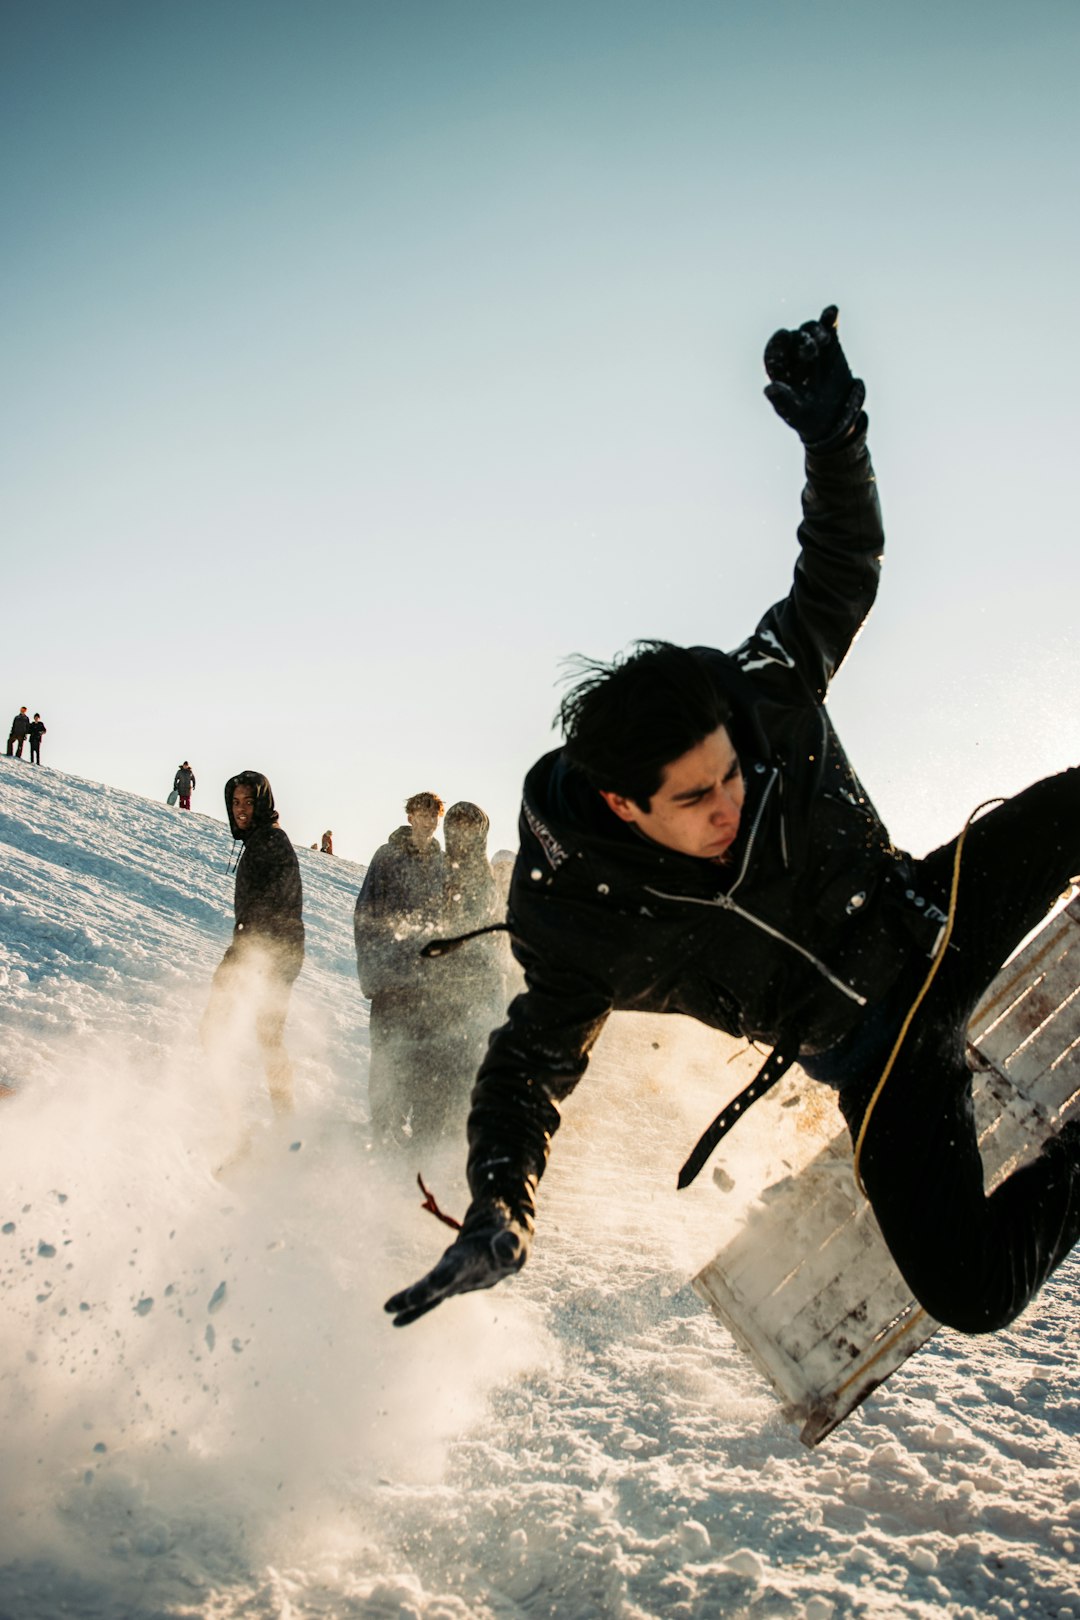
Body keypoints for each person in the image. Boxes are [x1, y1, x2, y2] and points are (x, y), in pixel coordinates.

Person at [386, 305, 1080, 1337]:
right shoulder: (576, 920)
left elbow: (841, 563)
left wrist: (835, 433)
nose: (730, 806)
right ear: (623, 805)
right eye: (697, 801)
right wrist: (501, 1200)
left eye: (731, 778)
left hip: (929, 912)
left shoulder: (761, 696)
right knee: (972, 1293)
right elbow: (526, 1070)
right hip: (872, 1053)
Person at [200, 771, 305, 1115]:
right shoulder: (260, 841)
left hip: (269, 954)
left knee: (251, 1033)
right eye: (235, 802)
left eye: (248, 802)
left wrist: (250, 956)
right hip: (260, 950)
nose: (240, 810)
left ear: (262, 804)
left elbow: (279, 905)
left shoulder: (271, 842)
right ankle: (264, 1118)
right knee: (262, 1036)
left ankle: (258, 1121)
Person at [354, 791, 450, 1145]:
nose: (427, 821)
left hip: (427, 985)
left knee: (421, 1059)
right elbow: (365, 914)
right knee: (386, 1057)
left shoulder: (442, 864)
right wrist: (373, 972)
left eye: (433, 816)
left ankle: (409, 1138)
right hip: (390, 981)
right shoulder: (387, 857)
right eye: (421, 814)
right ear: (410, 816)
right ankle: (382, 1129)